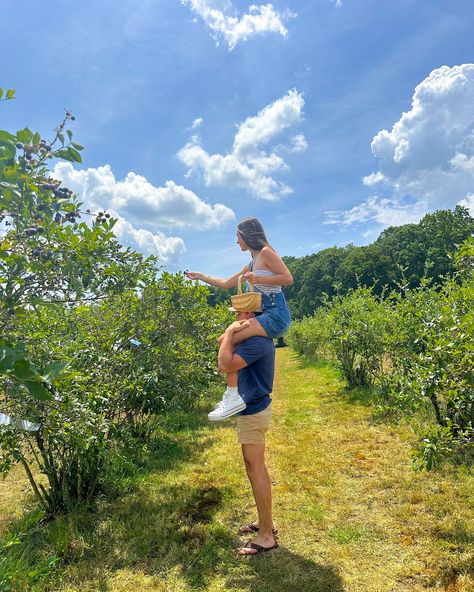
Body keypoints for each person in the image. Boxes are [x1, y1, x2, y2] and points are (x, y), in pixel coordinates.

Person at [185, 217, 292, 421]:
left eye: (237, 236)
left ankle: (233, 397)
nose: (236, 242)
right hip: (265, 315)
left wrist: (258, 279)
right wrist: (201, 276)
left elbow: (288, 278)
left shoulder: (267, 253)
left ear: (247, 235)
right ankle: (233, 395)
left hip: (276, 313)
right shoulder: (252, 263)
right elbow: (226, 283)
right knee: (223, 341)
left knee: (230, 338)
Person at [218, 309, 278, 555]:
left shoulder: (257, 342)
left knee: (256, 469)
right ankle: (265, 523)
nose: (235, 317)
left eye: (240, 313)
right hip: (250, 408)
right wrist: (230, 336)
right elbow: (222, 347)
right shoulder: (252, 340)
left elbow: (224, 364)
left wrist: (231, 332)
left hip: (254, 410)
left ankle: (266, 536)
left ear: (253, 314)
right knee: (255, 467)